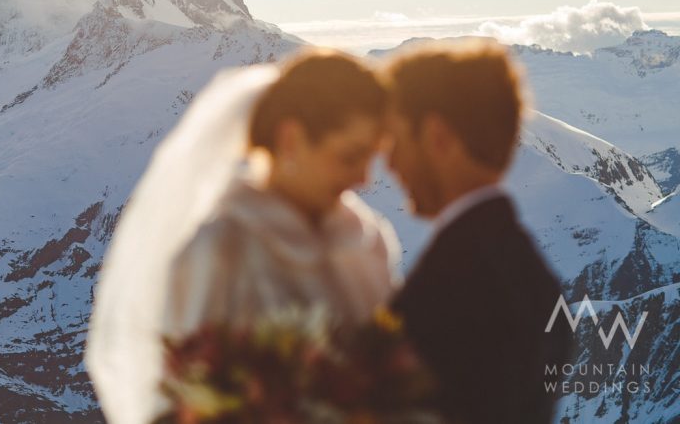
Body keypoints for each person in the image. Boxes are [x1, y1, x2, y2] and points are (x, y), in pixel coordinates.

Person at [85, 48, 401, 424]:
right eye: (350, 157)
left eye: (372, 158)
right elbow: (184, 397)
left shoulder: (370, 242)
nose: (365, 179)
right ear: (291, 138)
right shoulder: (220, 248)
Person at [383, 39, 572, 424]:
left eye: (396, 140)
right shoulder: (530, 273)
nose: (389, 162)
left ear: (437, 136)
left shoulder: (457, 285)